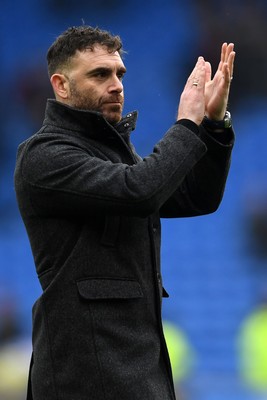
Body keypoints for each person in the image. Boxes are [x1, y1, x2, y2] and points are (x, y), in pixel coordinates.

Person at [14, 25, 235, 400]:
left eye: (119, 74)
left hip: (136, 366)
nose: (116, 84)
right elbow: (141, 191)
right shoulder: (44, 156)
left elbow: (196, 197)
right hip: (85, 373)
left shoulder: (112, 152)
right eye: (99, 74)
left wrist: (212, 125)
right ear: (61, 85)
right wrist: (186, 123)